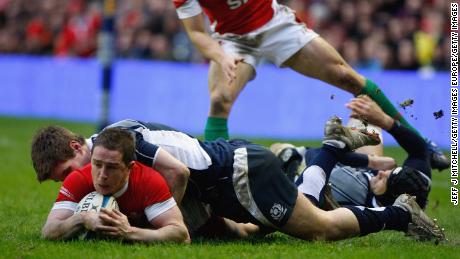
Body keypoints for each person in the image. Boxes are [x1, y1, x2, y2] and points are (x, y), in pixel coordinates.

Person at [31, 117, 445, 242]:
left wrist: (140, 222)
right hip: (212, 181)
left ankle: (397, 213)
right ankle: (327, 153)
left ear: (74, 147)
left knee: (318, 228)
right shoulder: (108, 149)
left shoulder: (118, 144)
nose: (82, 178)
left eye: (68, 173)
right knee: (241, 235)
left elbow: (174, 171)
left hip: (238, 173)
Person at [172, 0, 449, 171]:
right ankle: (212, 177)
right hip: (232, 40)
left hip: (275, 26)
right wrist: (222, 56)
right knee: (220, 99)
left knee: (347, 77)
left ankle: (423, 143)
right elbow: (196, 32)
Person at [271, 96, 432, 209]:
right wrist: (385, 121)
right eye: (389, 172)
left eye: (385, 179)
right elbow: (420, 151)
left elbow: (322, 155)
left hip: (304, 166)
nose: (383, 173)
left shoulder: (356, 190)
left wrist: (371, 161)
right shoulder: (416, 185)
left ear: (390, 198)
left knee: (279, 152)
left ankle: (285, 155)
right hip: (348, 168)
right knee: (364, 111)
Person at [41, 128, 190, 243]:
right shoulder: (78, 178)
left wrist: (129, 232)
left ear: (129, 167)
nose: (102, 175)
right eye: (97, 164)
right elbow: (48, 231)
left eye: (112, 167)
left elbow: (181, 234)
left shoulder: (148, 180)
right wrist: (82, 218)